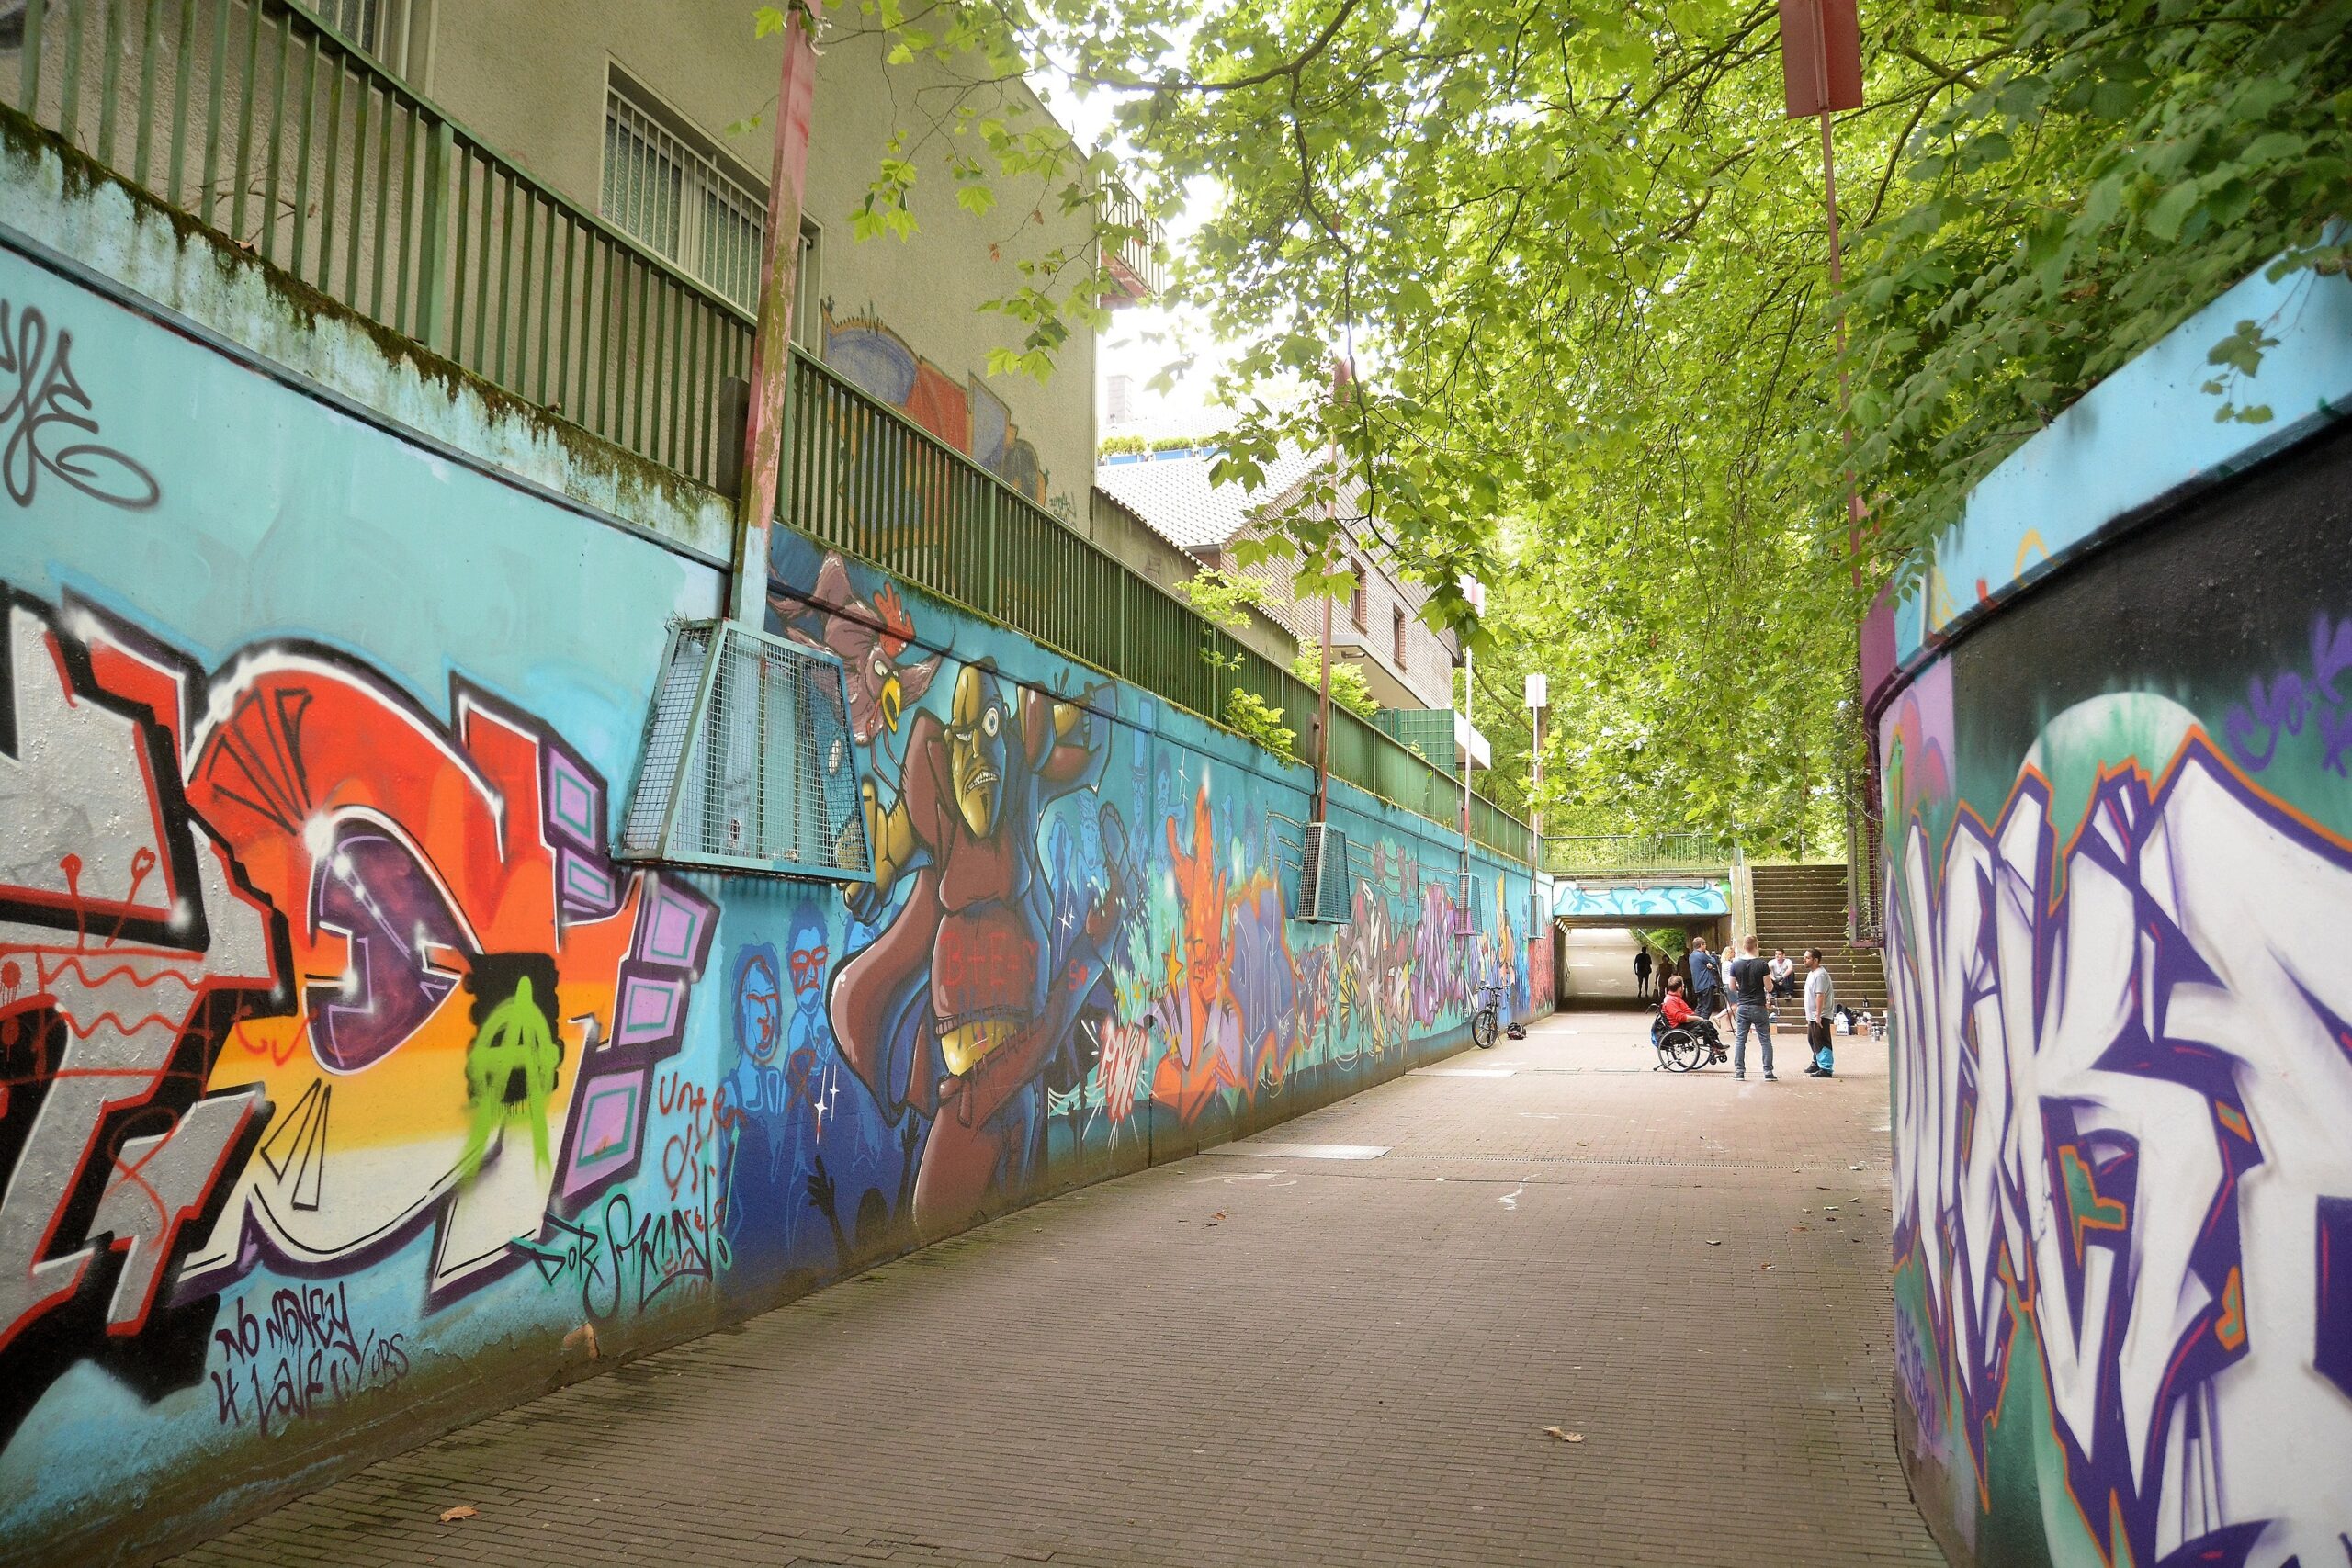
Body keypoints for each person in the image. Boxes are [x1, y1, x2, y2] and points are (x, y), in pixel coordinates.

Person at [1726, 935, 1774, 1080]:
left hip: (1743, 1006)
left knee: (1740, 1039)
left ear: (1743, 946)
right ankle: (1768, 1072)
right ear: (1756, 946)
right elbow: (1769, 987)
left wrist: (1742, 987)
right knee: (1765, 1040)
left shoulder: (1735, 964)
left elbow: (1732, 987)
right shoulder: (1762, 964)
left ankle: (1739, 1071)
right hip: (1759, 1006)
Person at [1804, 948, 1836, 1078]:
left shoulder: (1820, 975)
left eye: (1807, 958)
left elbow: (1820, 995)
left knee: (1821, 1040)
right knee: (1813, 1039)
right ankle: (1816, 1062)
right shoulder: (1812, 973)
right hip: (1812, 1014)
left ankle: (1826, 1068)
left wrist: (1818, 1014)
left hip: (1820, 1014)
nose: (1804, 960)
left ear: (1815, 960)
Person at [1686, 938, 1722, 1018]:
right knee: (1707, 1008)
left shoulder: (1691, 956)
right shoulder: (1702, 955)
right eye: (1705, 944)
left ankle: (1695, 1024)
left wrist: (1707, 966)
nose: (1706, 946)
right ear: (1701, 945)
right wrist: (1709, 955)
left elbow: (1700, 966)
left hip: (1698, 985)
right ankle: (1703, 1026)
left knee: (1700, 1006)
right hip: (1706, 984)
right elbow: (1715, 962)